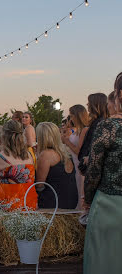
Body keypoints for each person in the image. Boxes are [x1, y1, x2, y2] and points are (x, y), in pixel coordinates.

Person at [83, 72, 122, 273]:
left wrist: (87, 199)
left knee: (105, 261)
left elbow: (94, 169)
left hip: (111, 205)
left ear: (120, 95)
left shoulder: (109, 126)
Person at [36, 122, 78, 209]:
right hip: (71, 199)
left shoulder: (46, 154)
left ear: (42, 138)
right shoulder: (65, 152)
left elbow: (39, 184)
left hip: (54, 202)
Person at [61, 105, 89, 210]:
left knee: (81, 195)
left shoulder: (84, 130)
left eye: (72, 115)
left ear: (77, 116)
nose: (70, 118)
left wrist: (67, 142)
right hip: (75, 166)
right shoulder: (77, 130)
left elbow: (79, 151)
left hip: (80, 166)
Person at [78, 93, 108, 175]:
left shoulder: (99, 123)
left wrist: (84, 164)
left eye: (89, 102)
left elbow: (91, 145)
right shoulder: (101, 121)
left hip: (91, 166)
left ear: (95, 105)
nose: (87, 104)